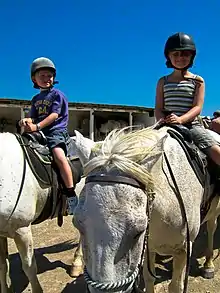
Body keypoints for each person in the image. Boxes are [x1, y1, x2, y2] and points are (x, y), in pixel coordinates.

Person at [19, 57, 77, 215]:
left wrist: (36, 126)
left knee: (59, 156)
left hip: (55, 132)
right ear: (34, 79)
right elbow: (32, 116)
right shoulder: (35, 99)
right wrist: (26, 121)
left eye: (49, 76)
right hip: (40, 132)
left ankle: (71, 194)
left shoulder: (57, 95)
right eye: (42, 76)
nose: (46, 79)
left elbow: (53, 116)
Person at [155, 32, 220, 165]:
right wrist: (162, 120)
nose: (180, 58)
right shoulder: (162, 81)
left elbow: (197, 107)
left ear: (191, 56)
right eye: (175, 54)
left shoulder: (197, 81)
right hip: (165, 124)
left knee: (216, 153)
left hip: (190, 126)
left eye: (185, 54)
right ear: (168, 56)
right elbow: (158, 107)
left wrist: (180, 119)